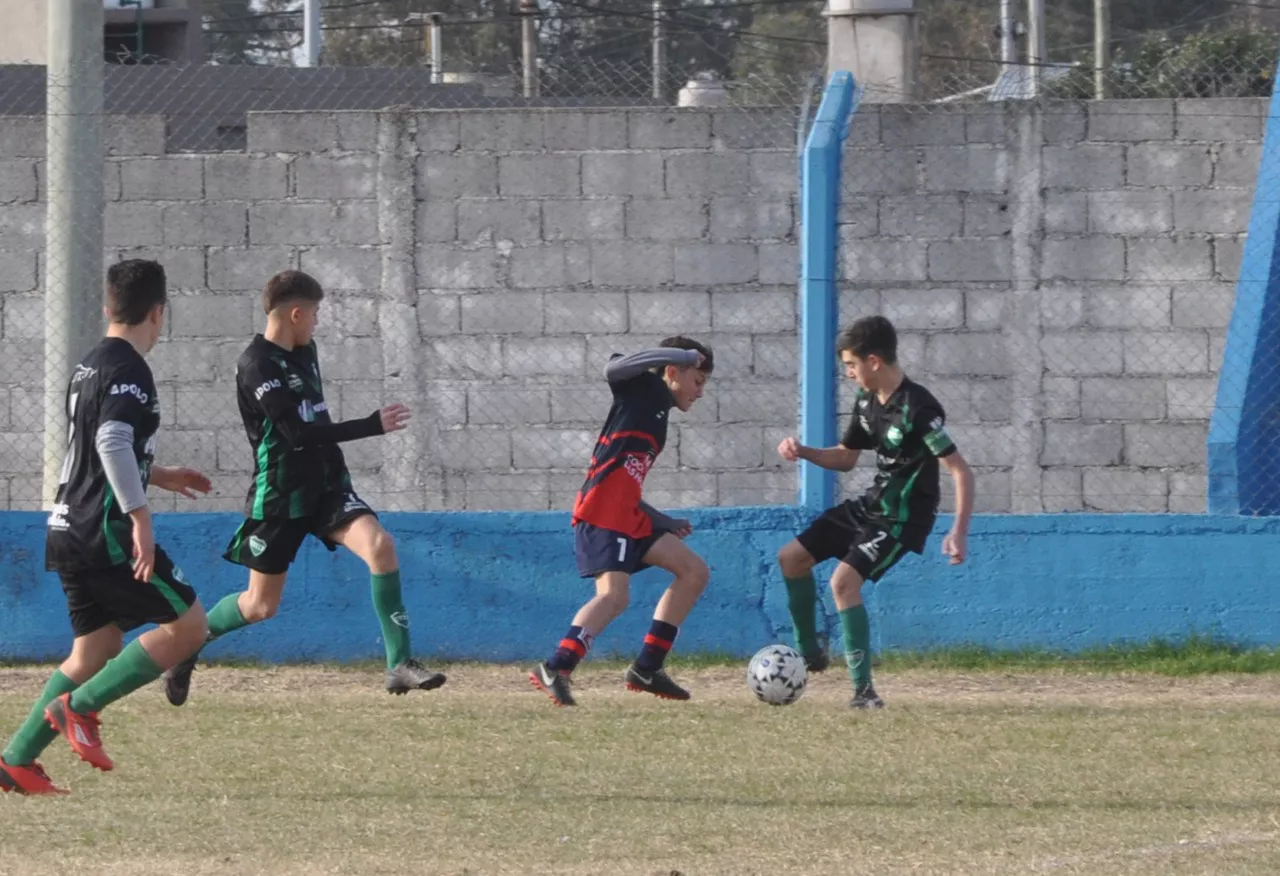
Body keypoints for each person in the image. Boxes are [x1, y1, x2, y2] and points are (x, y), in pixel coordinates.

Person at [161, 270, 445, 706]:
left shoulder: (305, 351)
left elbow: (314, 418)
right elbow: (296, 433)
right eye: (314, 313)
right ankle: (188, 646)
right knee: (260, 606)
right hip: (280, 494)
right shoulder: (256, 365)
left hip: (327, 486)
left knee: (380, 546)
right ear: (296, 314)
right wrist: (370, 425)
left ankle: (399, 664)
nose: (316, 321)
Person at [0, 260, 211, 795]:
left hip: (66, 524)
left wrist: (157, 474)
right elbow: (112, 440)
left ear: (107, 307)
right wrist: (140, 515)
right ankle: (80, 707)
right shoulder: (130, 369)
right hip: (106, 529)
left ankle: (16, 761)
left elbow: (98, 450)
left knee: (94, 649)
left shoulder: (88, 365)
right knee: (189, 628)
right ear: (158, 313)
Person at [776, 316, 973, 709]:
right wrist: (804, 451)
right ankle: (810, 654)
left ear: (874, 361)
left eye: (852, 364)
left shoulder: (918, 408)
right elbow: (847, 458)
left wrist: (958, 531)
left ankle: (864, 692)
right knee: (791, 558)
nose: (849, 373)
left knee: (842, 583)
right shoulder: (866, 403)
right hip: (871, 505)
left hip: (902, 519)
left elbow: (959, 470)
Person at [529, 338, 714, 706]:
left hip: (629, 514)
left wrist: (662, 520)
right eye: (697, 381)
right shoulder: (643, 387)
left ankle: (648, 668)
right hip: (602, 511)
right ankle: (556, 667)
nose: (700, 392)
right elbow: (613, 368)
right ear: (672, 371)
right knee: (614, 596)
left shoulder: (659, 413)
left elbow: (626, 479)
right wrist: (682, 354)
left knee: (694, 571)